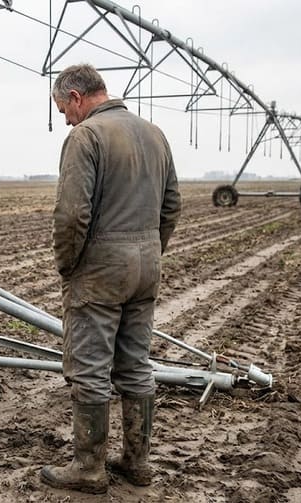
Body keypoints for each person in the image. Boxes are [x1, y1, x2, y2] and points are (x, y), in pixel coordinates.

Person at [40, 63, 181, 494]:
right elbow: (171, 205)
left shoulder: (86, 136)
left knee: (89, 369)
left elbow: (71, 215)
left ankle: (88, 468)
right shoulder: (154, 133)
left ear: (77, 97)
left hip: (100, 270)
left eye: (64, 108)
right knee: (136, 364)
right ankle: (136, 463)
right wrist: (150, 250)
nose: (65, 118)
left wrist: (69, 264)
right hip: (146, 267)